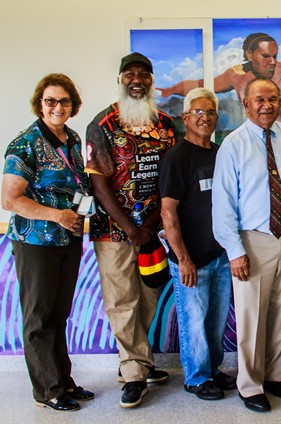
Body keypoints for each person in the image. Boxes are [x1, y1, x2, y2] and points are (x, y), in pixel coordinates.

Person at [85, 52, 175, 408]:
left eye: (143, 74)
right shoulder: (103, 123)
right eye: (129, 74)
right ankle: (135, 373)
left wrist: (150, 225)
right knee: (121, 300)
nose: (136, 79)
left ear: (152, 81)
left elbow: (173, 177)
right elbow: (100, 184)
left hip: (155, 230)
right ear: (120, 80)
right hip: (113, 231)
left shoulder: (168, 124)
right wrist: (130, 228)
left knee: (149, 295)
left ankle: (138, 359)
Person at [212, 78, 281, 413]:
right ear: (245, 102)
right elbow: (223, 205)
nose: (266, 105)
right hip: (253, 241)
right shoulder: (233, 145)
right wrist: (235, 251)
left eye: (272, 98)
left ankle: (276, 375)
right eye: (259, 99)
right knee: (252, 317)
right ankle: (250, 385)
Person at [1, 73, 93, 411]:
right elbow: (10, 199)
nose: (58, 107)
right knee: (38, 316)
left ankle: (64, 381)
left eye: (64, 101)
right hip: (36, 240)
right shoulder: (25, 143)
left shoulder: (71, 138)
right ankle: (49, 390)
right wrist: (56, 216)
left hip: (68, 238)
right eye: (50, 101)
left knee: (59, 314)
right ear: (40, 103)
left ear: (73, 106)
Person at [158, 88, 236, 401]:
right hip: (191, 259)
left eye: (211, 113)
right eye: (198, 112)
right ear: (186, 117)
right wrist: (183, 259)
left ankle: (213, 370)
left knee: (216, 321)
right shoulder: (177, 157)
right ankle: (196, 378)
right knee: (194, 322)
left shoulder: (220, 154)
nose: (205, 118)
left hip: (218, 256)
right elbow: (168, 212)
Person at [159, 33, 281, 121]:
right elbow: (201, 85)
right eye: (266, 56)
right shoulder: (236, 75)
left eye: (275, 56)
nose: (272, 62)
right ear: (249, 54)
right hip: (250, 138)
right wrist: (169, 90)